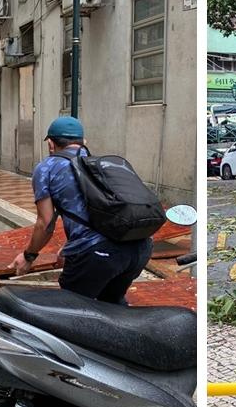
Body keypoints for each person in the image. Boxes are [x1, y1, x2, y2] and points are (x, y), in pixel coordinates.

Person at [11, 116, 152, 304]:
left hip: (98, 254)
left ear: (51, 144)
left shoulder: (47, 168)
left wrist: (29, 256)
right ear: (84, 143)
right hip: (140, 247)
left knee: (71, 310)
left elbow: (45, 223)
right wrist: (70, 248)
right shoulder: (98, 164)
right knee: (112, 304)